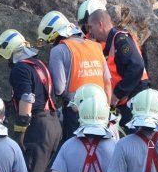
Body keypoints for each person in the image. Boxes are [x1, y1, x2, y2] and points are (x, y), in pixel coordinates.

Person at [0, 29, 62, 172]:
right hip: (54, 125)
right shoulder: (39, 64)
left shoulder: (20, 69)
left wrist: (21, 131)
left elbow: (27, 97)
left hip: (38, 127)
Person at [36, 11, 111, 139]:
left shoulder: (58, 50)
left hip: (75, 112)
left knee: (76, 153)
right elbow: (107, 83)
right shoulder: (96, 47)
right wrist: (106, 110)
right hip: (100, 110)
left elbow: (59, 89)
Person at [79, 0, 149, 128]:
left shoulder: (121, 40)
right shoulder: (112, 42)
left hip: (135, 98)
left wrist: (117, 94)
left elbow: (136, 66)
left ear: (100, 24)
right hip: (128, 98)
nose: (90, 32)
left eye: (90, 27)